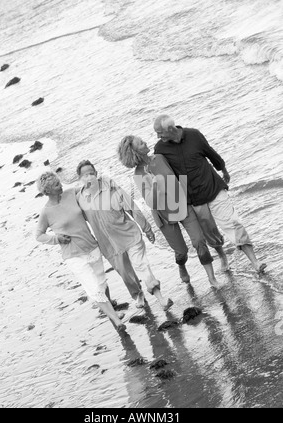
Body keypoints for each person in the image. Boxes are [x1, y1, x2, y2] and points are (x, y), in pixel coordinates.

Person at [153, 115, 267, 274]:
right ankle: (222, 256)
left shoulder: (194, 135)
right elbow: (163, 172)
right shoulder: (160, 148)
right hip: (194, 197)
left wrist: (223, 169)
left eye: (160, 132)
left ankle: (255, 262)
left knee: (233, 222)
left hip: (213, 187)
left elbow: (211, 153)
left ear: (170, 129)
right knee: (210, 231)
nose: (158, 137)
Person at [118, 135, 226, 288]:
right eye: (141, 143)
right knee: (181, 252)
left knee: (199, 241)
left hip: (182, 205)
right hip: (164, 215)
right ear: (135, 153)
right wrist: (154, 183)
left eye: (143, 140)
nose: (145, 143)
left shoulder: (160, 158)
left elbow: (179, 175)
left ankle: (212, 279)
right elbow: (150, 202)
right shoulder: (138, 175)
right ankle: (181, 265)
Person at [35, 171, 126, 333]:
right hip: (73, 256)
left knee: (102, 283)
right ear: (47, 191)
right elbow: (39, 236)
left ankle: (109, 308)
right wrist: (56, 239)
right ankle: (117, 320)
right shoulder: (46, 212)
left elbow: (88, 188)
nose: (61, 185)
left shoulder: (71, 193)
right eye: (56, 185)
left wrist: (99, 178)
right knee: (94, 289)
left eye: (59, 182)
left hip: (91, 247)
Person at [76, 160, 173, 311]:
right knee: (126, 274)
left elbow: (132, 207)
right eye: (84, 175)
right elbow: (78, 222)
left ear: (96, 174)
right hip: (109, 245)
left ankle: (161, 298)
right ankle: (138, 293)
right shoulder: (80, 199)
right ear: (80, 179)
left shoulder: (112, 188)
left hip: (129, 235)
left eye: (91, 173)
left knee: (142, 266)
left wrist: (146, 228)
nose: (88, 177)